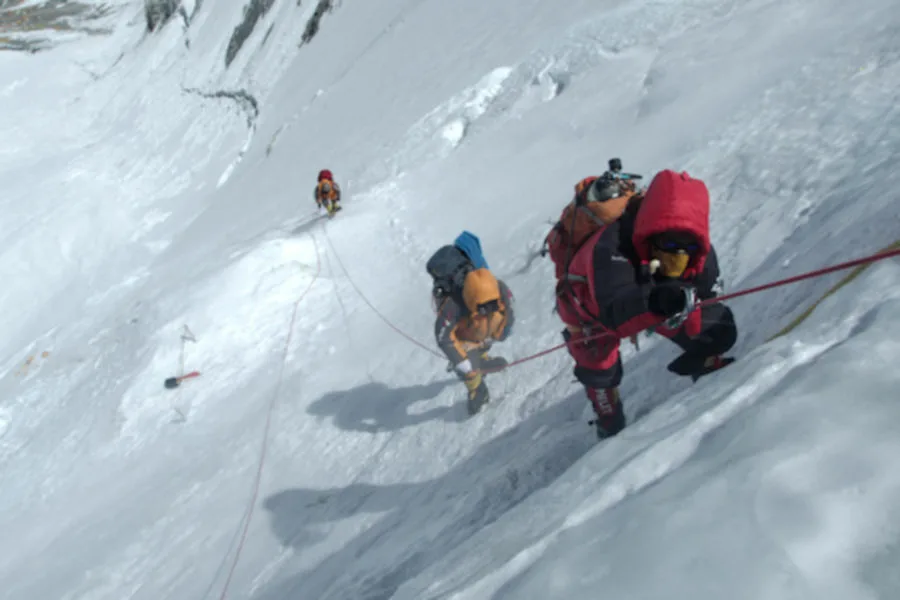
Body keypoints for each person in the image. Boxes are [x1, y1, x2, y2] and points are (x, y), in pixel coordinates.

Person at [554, 169, 737, 439]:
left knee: (714, 326)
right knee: (600, 371)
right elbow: (615, 315)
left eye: (687, 244)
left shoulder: (700, 250)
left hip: (654, 295)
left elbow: (707, 297)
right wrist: (661, 302)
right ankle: (609, 420)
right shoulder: (609, 246)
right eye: (668, 243)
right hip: (586, 310)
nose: (678, 253)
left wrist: (704, 338)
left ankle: (712, 372)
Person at [427, 232, 515, 415]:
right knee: (463, 355)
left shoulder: (499, 289)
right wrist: (464, 364)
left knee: (487, 325)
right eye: (483, 308)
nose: (488, 310)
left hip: (475, 326)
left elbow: (508, 310)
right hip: (464, 330)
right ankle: (477, 389)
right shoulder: (454, 306)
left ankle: (481, 358)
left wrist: (501, 332)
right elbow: (444, 337)